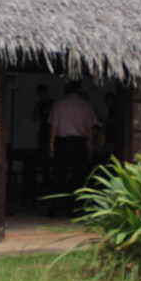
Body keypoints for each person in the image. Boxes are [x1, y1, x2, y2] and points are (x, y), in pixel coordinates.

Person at [49, 79, 97, 216]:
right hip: (80, 143)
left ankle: (58, 209)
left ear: (65, 89)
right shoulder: (86, 106)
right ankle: (77, 209)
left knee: (60, 176)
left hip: (63, 143)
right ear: (79, 89)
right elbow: (90, 129)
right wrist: (90, 146)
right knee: (78, 175)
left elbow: (54, 126)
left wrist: (51, 145)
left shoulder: (59, 105)